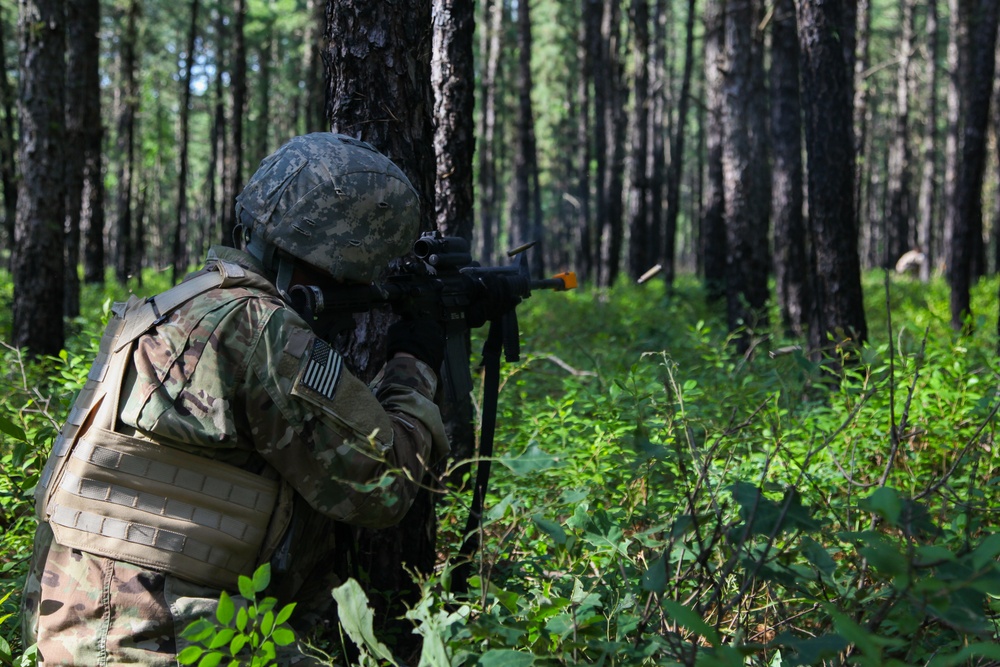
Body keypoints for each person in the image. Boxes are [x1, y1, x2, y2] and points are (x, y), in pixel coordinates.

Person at [20, 132, 449, 666]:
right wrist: (414, 366)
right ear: (337, 261)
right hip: (157, 641)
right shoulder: (262, 332)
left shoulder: (170, 307)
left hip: (79, 628)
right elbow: (383, 488)